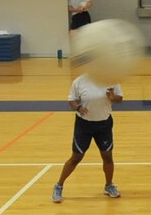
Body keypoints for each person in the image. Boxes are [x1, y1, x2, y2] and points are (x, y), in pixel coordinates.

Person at [52, 74, 124, 203]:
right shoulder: (79, 81)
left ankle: (109, 185)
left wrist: (113, 98)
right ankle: (59, 185)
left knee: (107, 156)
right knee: (76, 157)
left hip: (104, 124)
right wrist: (78, 107)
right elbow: (72, 100)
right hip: (84, 125)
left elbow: (120, 98)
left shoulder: (111, 80)